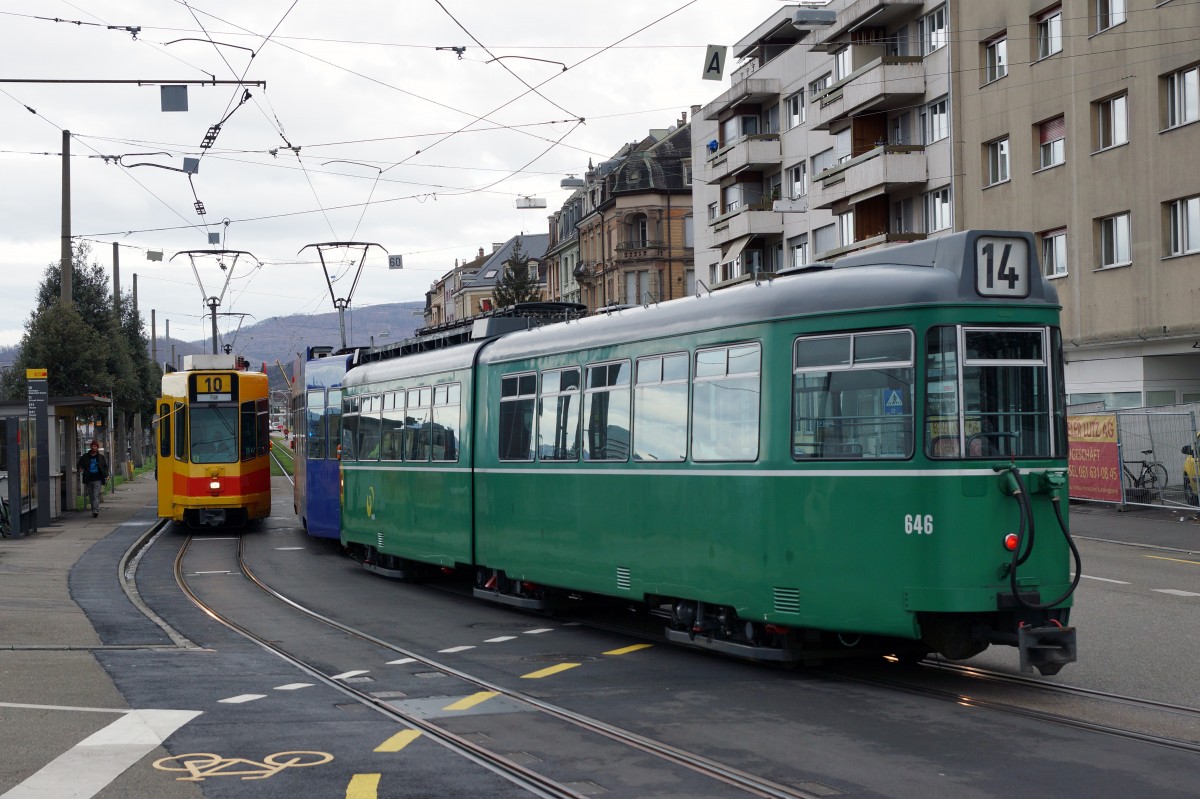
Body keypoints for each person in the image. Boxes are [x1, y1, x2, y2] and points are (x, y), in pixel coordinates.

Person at [77, 440, 109, 518]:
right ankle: (93, 509)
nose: (93, 447)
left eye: (95, 446)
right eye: (92, 446)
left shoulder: (101, 457)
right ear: (90, 447)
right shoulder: (85, 456)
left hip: (98, 478)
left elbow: (105, 466)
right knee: (91, 496)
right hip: (88, 478)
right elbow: (79, 464)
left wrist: (106, 475)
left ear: (97, 447)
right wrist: (80, 468)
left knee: (95, 495)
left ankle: (96, 511)